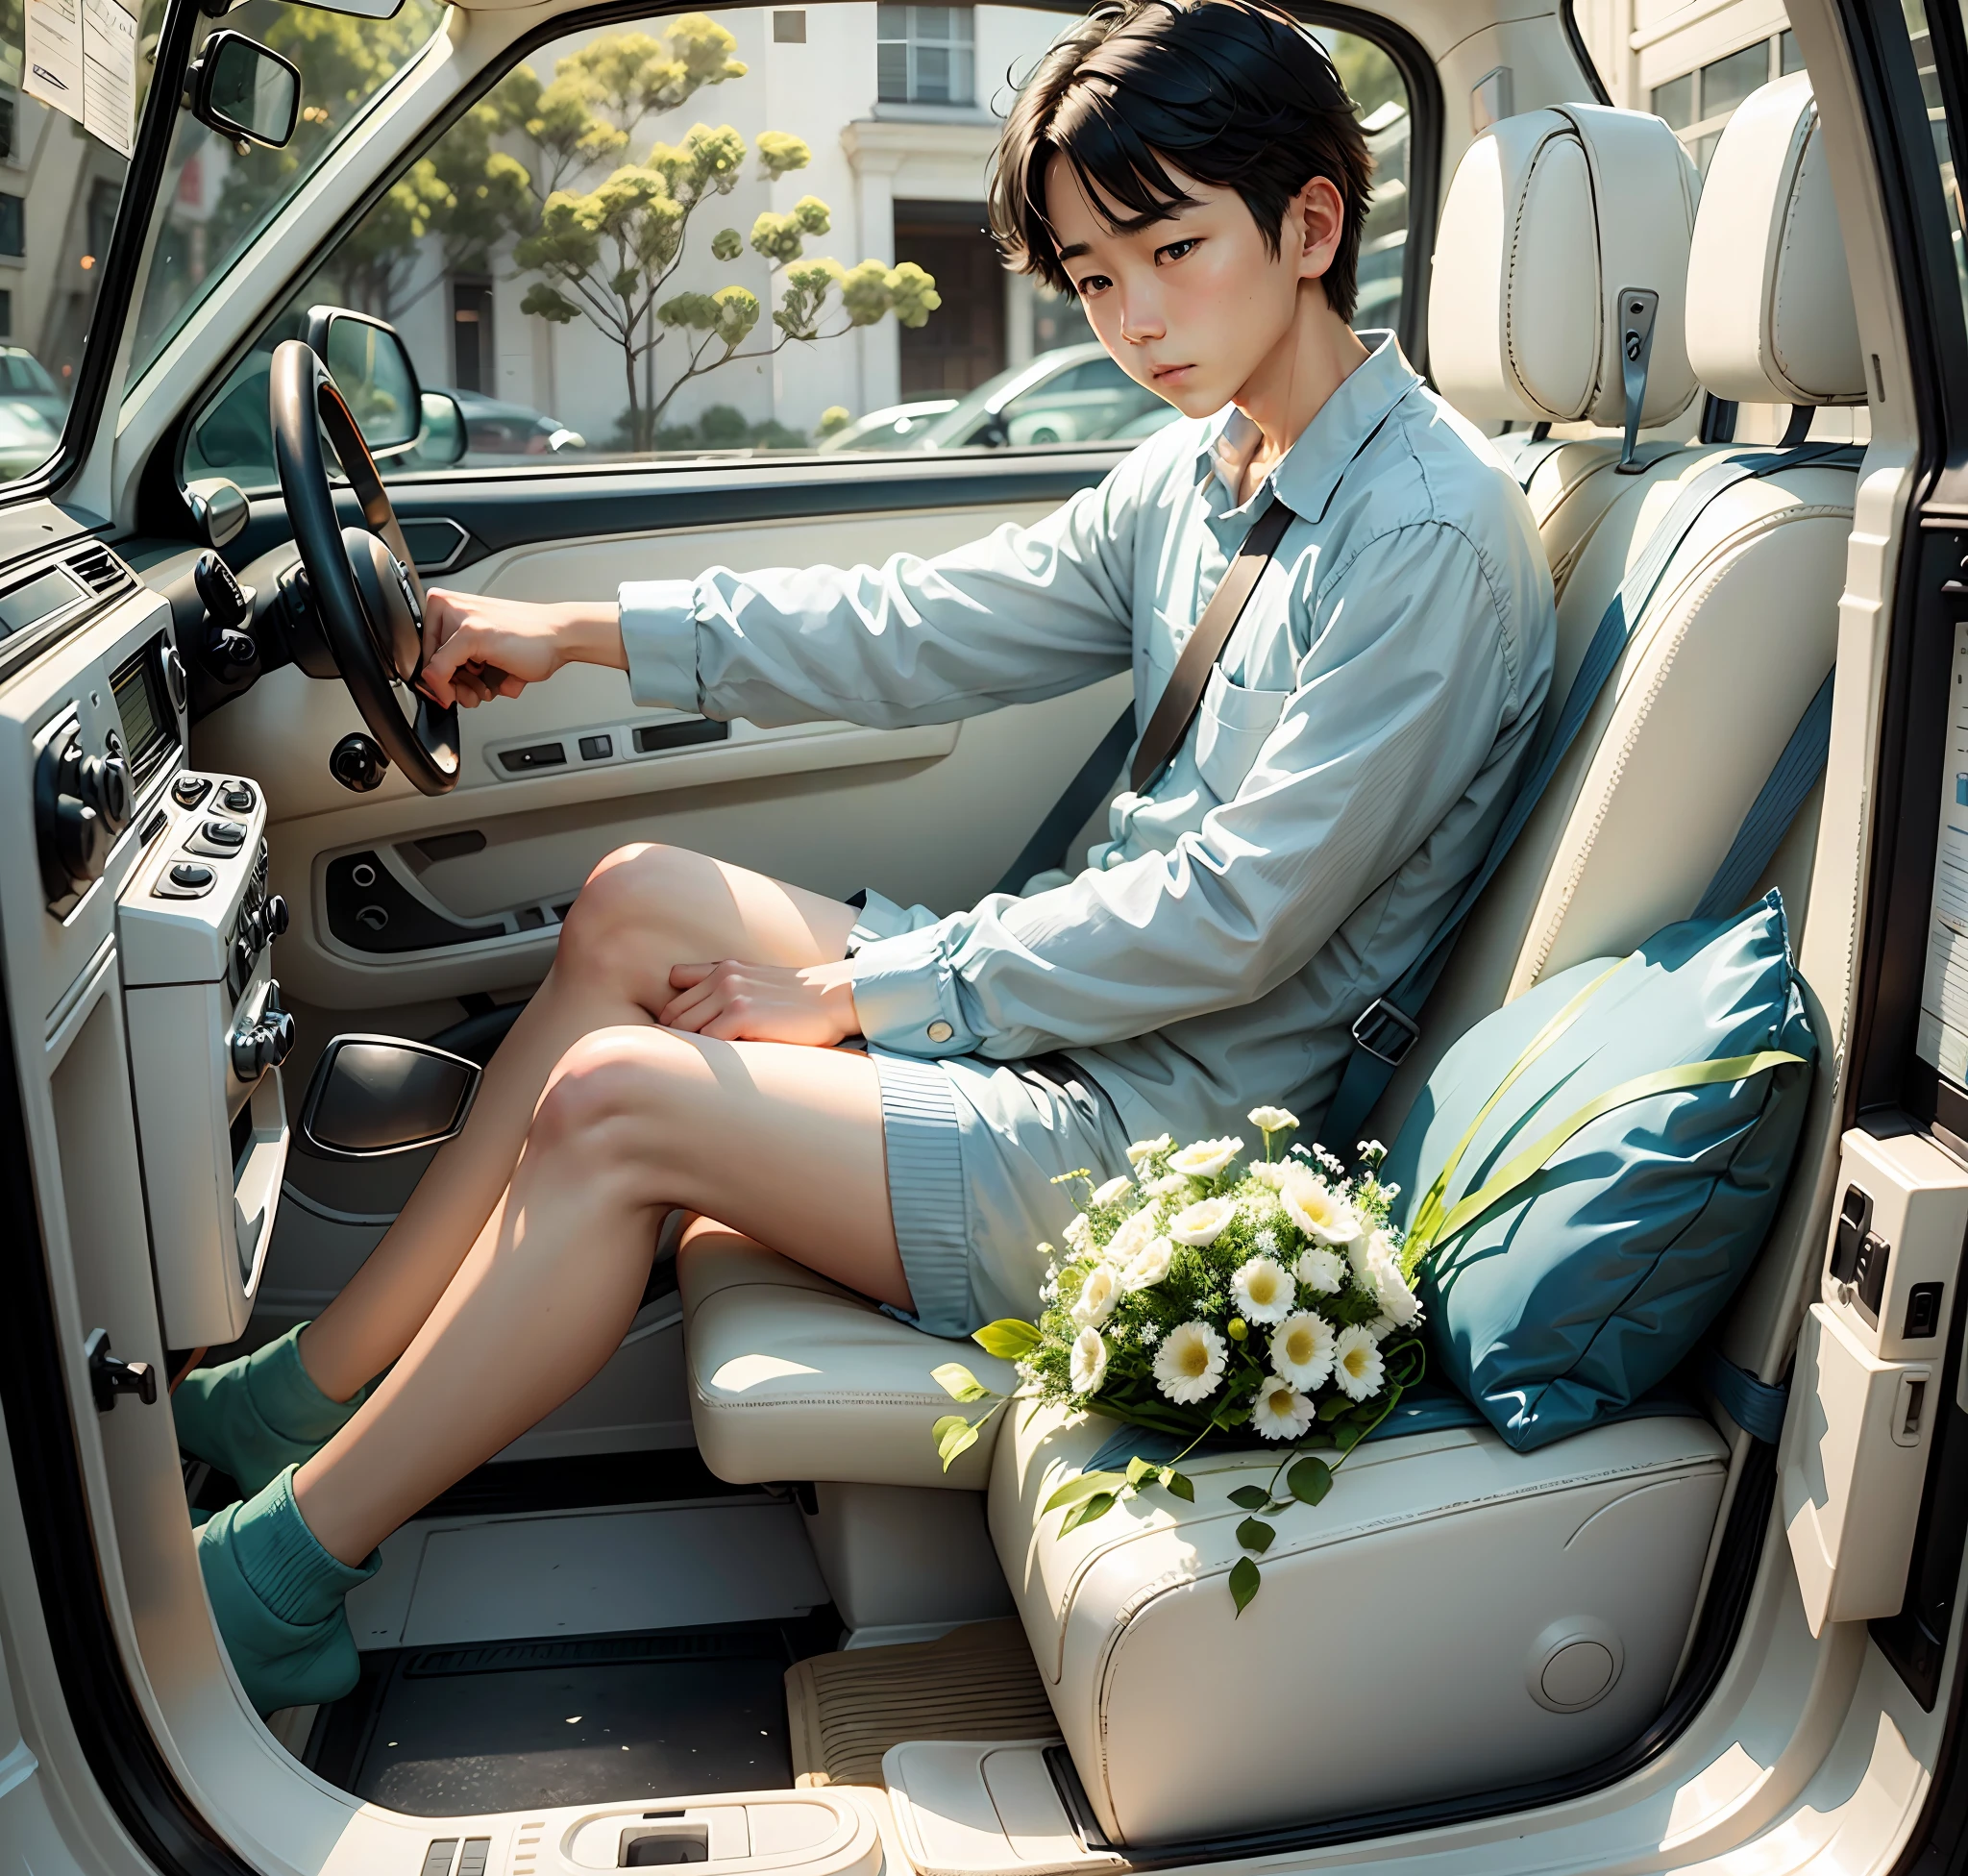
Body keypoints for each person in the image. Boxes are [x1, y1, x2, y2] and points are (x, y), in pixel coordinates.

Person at [181, 0, 1557, 1714]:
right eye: (1088, 275)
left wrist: (856, 993)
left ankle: (288, 1569)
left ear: (1312, 227)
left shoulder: (1424, 535)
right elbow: (918, 627)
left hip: (1174, 1132)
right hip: (1085, 1031)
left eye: (1169, 251)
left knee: (619, 1101)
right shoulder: (1206, 468)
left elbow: (1238, 915)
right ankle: (296, 1394)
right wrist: (574, 630)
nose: (1129, 318)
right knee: (634, 902)